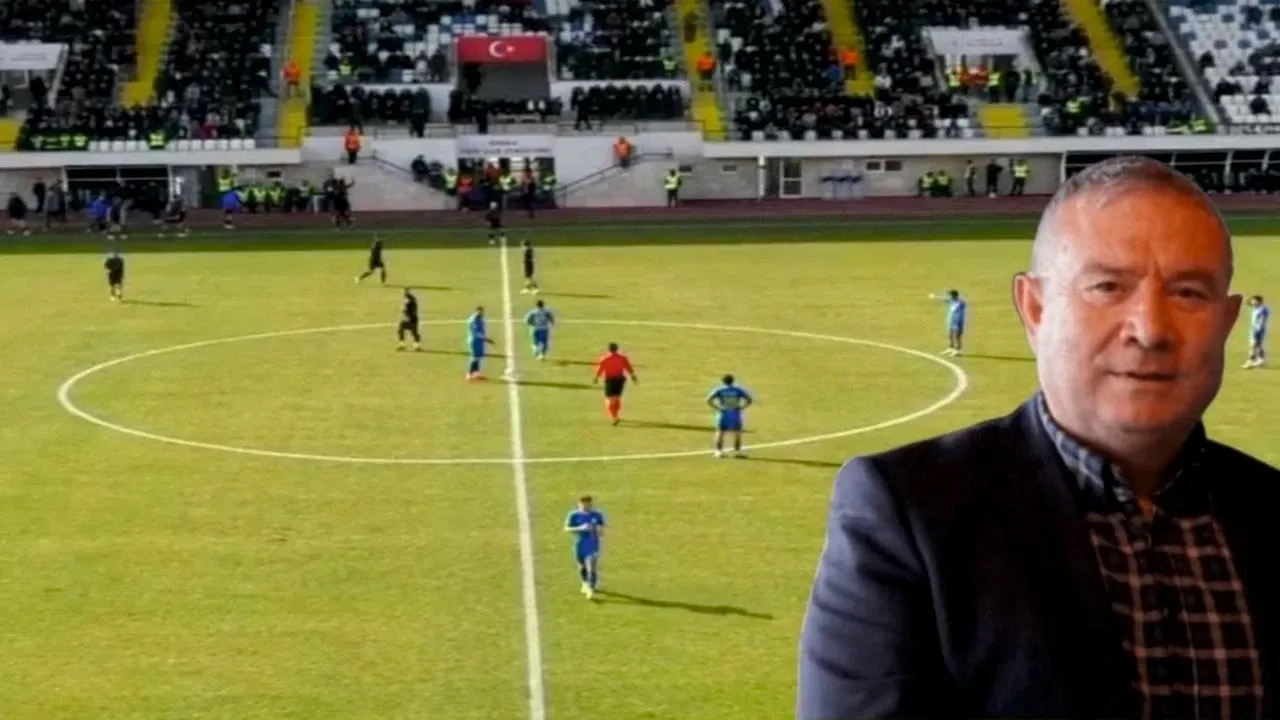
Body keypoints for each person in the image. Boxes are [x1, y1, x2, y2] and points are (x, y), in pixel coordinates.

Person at [797, 156, 1280, 719]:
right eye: (1108, 286)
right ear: (1035, 310)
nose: (1150, 329)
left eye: (1189, 293)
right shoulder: (909, 516)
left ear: (1226, 323)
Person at [564, 495, 606, 600]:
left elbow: (602, 529)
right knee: (581, 566)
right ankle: (584, 582)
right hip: (580, 544)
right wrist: (580, 528)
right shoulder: (573, 515)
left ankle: (591, 588)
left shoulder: (597, 515)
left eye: (587, 503)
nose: (585, 506)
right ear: (579, 504)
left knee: (591, 566)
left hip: (593, 544)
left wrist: (599, 531)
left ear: (590, 504)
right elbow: (566, 528)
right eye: (583, 504)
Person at [706, 374, 753, 458]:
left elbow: (708, 400)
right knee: (737, 432)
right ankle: (737, 451)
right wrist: (742, 407)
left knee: (720, 432)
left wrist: (717, 408)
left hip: (723, 413)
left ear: (723, 381)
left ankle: (719, 451)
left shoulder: (719, 390)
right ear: (733, 381)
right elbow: (749, 400)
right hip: (735, 413)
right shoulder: (738, 390)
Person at [593, 343, 638, 425]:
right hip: (620, 379)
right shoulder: (622, 358)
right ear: (617, 349)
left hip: (610, 380)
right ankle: (616, 414)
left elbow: (600, 369)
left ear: (608, 349)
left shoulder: (605, 359)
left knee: (609, 399)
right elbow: (628, 367)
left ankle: (614, 417)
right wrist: (633, 376)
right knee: (617, 398)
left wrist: (596, 378)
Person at [928, 288, 967, 355]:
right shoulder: (952, 301)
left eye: (950, 295)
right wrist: (935, 297)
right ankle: (950, 348)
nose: (949, 296)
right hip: (951, 320)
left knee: (957, 336)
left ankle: (958, 350)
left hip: (958, 321)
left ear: (953, 295)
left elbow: (961, 309)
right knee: (950, 335)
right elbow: (944, 299)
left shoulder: (961, 302)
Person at [466, 306, 494, 380]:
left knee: (478, 357)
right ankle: (469, 374)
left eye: (482, 312)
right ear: (476, 311)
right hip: (474, 340)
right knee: (474, 357)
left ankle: (476, 373)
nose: (481, 313)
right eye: (479, 312)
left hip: (479, 341)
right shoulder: (474, 320)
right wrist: (486, 339)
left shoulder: (480, 318)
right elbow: (477, 332)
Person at [1245, 294, 1270, 368]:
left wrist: (1257, 330)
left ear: (1259, 301)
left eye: (1254, 301)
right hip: (1255, 329)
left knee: (1253, 345)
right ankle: (1261, 360)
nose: (1252, 302)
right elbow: (1248, 303)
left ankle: (1251, 361)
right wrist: (1248, 300)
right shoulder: (1256, 308)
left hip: (1257, 330)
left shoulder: (1262, 309)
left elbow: (1262, 321)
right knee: (1258, 345)